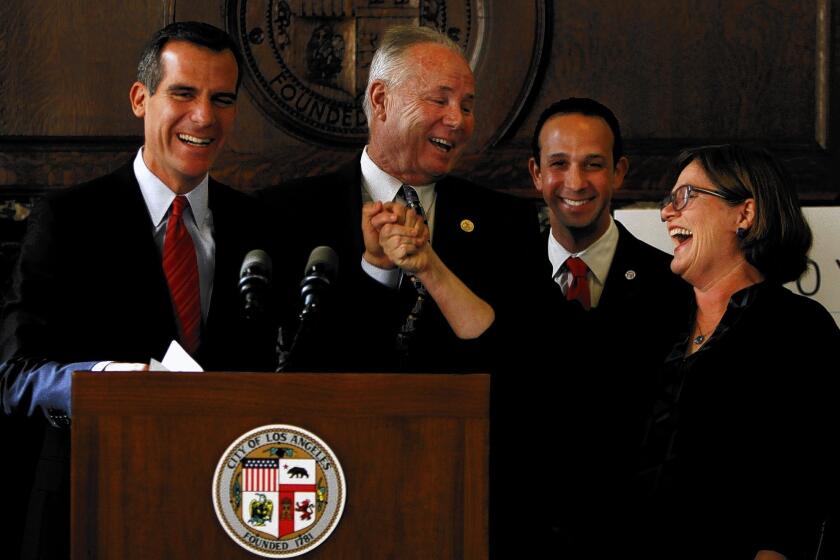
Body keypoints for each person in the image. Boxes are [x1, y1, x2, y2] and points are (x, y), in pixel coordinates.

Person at [0, 21, 272, 558]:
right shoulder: (68, 220)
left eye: (222, 99)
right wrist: (107, 382)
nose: (204, 117)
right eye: (184, 94)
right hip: (94, 503)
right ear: (139, 99)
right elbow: (14, 376)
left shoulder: (260, 225)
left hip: (230, 511)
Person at [261, 25, 541, 374]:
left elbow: (521, 361)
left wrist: (431, 269)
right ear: (381, 100)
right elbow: (285, 362)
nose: (457, 120)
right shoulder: (283, 214)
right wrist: (377, 270)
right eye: (439, 100)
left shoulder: (508, 222)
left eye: (467, 106)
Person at [642, 143, 840, 559]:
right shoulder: (650, 321)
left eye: (685, 197)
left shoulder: (799, 330)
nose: (666, 213)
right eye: (667, 200)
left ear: (744, 214)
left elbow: (810, 477)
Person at [525, 97, 691, 554]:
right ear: (536, 173)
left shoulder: (674, 288)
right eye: (558, 164)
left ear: (619, 172)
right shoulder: (497, 281)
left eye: (593, 164)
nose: (575, 182)